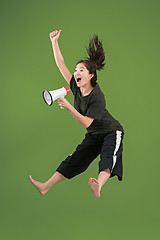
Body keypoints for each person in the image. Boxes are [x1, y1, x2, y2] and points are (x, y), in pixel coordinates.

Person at [29, 29, 125, 199]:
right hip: (94, 134)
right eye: (76, 70)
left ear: (90, 75)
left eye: (81, 70)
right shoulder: (75, 86)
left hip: (111, 131)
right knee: (75, 159)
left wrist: (69, 107)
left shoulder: (97, 97)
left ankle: (98, 187)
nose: (76, 73)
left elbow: (88, 123)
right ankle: (45, 186)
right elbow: (60, 64)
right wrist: (54, 42)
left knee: (108, 157)